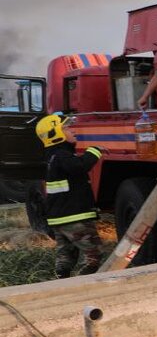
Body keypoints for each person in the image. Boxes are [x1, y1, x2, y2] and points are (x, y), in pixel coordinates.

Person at [36, 115, 105, 278]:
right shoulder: (61, 155)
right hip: (74, 217)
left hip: (59, 218)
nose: (72, 130)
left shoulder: (53, 157)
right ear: (55, 134)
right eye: (66, 128)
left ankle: (62, 281)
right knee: (94, 254)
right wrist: (94, 151)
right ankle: (84, 282)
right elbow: (80, 167)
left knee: (66, 255)